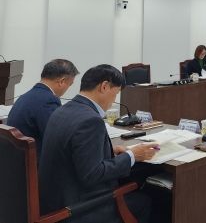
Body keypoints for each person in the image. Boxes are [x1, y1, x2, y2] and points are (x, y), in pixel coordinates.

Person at [39, 64, 159, 223]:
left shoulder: (62, 110)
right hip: (78, 209)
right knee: (149, 200)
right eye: (116, 93)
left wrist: (109, 151)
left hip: (55, 200)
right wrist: (132, 155)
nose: (114, 100)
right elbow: (92, 175)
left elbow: (74, 152)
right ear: (104, 86)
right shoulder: (90, 120)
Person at [7, 59, 79, 158]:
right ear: (62, 81)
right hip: (33, 162)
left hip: (15, 160)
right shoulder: (48, 100)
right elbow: (55, 138)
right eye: (70, 84)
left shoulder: (26, 96)